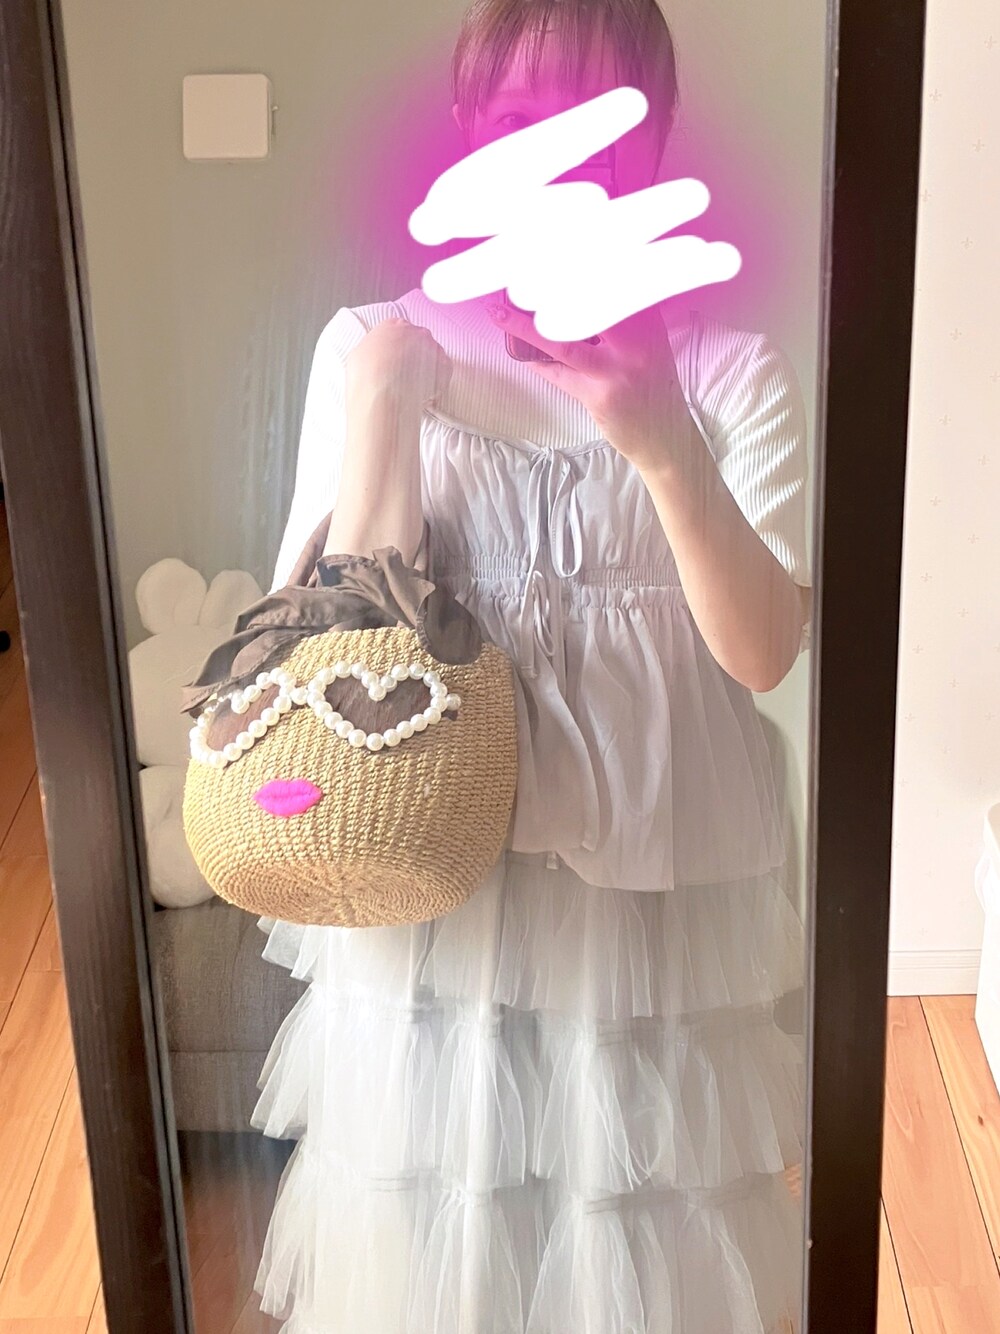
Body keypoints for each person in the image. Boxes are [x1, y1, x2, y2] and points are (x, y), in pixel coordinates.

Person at [251, 0, 811, 1329]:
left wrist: (664, 444)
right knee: (433, 1249)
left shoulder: (729, 371)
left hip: (653, 928)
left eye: (596, 130)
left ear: (652, 144)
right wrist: (388, 398)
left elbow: (764, 655)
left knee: (642, 1255)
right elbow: (336, 664)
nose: (555, 163)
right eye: (516, 124)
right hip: (432, 906)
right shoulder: (369, 345)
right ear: (466, 136)